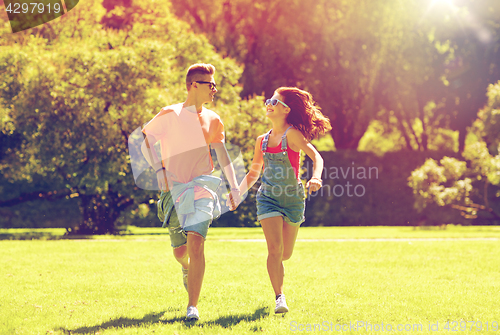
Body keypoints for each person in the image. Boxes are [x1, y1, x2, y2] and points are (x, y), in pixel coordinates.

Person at [141, 63, 241, 321]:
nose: (215, 90)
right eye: (211, 85)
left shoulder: (213, 119)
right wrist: (159, 170)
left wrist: (234, 186)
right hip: (174, 190)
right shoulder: (170, 114)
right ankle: (186, 268)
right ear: (194, 85)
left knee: (197, 242)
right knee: (180, 251)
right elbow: (147, 142)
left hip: (202, 187)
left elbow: (222, 155)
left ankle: (192, 307)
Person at [230, 87, 331, 314]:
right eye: (268, 101)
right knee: (274, 250)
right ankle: (279, 297)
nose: (269, 104)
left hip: (294, 199)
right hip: (268, 197)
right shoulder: (261, 141)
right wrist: (238, 192)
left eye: (274, 102)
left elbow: (316, 156)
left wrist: (316, 177)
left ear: (286, 110)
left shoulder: (293, 135)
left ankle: (279, 289)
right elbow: (254, 172)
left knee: (285, 254)